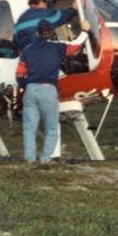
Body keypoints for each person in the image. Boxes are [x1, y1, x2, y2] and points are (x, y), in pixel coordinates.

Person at [15, 18, 90, 163]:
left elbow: (19, 75)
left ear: (37, 33)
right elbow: (76, 45)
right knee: (51, 128)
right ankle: (45, 159)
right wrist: (85, 31)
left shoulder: (27, 50)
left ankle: (30, 159)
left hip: (31, 90)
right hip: (49, 90)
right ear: (51, 33)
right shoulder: (58, 47)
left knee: (29, 129)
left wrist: (29, 84)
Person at [12, 0, 77, 50]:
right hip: (45, 53)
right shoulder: (46, 13)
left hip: (28, 59)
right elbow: (63, 16)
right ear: (41, 2)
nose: (46, 6)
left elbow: (15, 42)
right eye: (46, 3)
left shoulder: (20, 19)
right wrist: (73, 8)